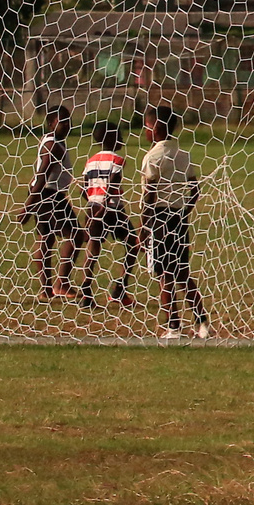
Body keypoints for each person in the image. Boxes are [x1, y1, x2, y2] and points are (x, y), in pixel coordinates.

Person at [141, 105, 209, 338]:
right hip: (178, 218)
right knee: (182, 273)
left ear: (155, 129)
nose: (145, 132)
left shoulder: (152, 157)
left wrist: (144, 226)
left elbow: (149, 195)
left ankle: (173, 326)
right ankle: (202, 322)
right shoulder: (184, 155)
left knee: (164, 275)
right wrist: (184, 212)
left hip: (159, 218)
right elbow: (195, 189)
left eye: (146, 127)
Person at [19, 105, 83, 299]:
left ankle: (46, 289)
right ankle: (61, 283)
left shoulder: (53, 142)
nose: (67, 125)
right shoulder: (53, 145)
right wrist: (27, 207)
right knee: (76, 235)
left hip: (44, 194)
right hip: (49, 195)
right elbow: (42, 175)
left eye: (68, 121)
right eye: (62, 122)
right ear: (51, 123)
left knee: (45, 238)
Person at [78, 120, 140, 309]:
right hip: (111, 209)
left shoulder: (91, 161)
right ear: (112, 138)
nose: (122, 138)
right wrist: (104, 204)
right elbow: (113, 183)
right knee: (133, 243)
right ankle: (119, 289)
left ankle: (86, 292)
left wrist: (92, 204)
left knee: (93, 248)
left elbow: (83, 186)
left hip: (93, 207)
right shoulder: (117, 160)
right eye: (119, 135)